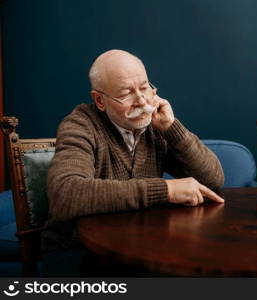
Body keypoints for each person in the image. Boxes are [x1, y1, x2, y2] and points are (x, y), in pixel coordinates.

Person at [41, 49, 225, 276]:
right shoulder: (80, 125)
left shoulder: (154, 126)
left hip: (140, 245)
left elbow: (213, 180)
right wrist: (164, 189)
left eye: (145, 87)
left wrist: (172, 129)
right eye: (127, 93)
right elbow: (66, 194)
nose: (142, 101)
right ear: (100, 100)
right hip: (78, 250)